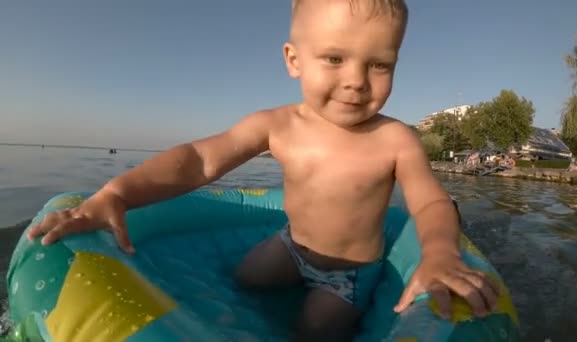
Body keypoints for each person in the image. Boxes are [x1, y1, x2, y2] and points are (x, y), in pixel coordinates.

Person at [27, 1, 499, 340]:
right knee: (245, 278)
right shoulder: (277, 125)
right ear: (294, 60)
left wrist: (438, 253)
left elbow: (430, 202)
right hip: (291, 245)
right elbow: (199, 160)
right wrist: (119, 192)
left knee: (314, 328)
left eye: (379, 64)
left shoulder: (396, 139)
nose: (356, 79)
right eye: (334, 58)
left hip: (349, 274)